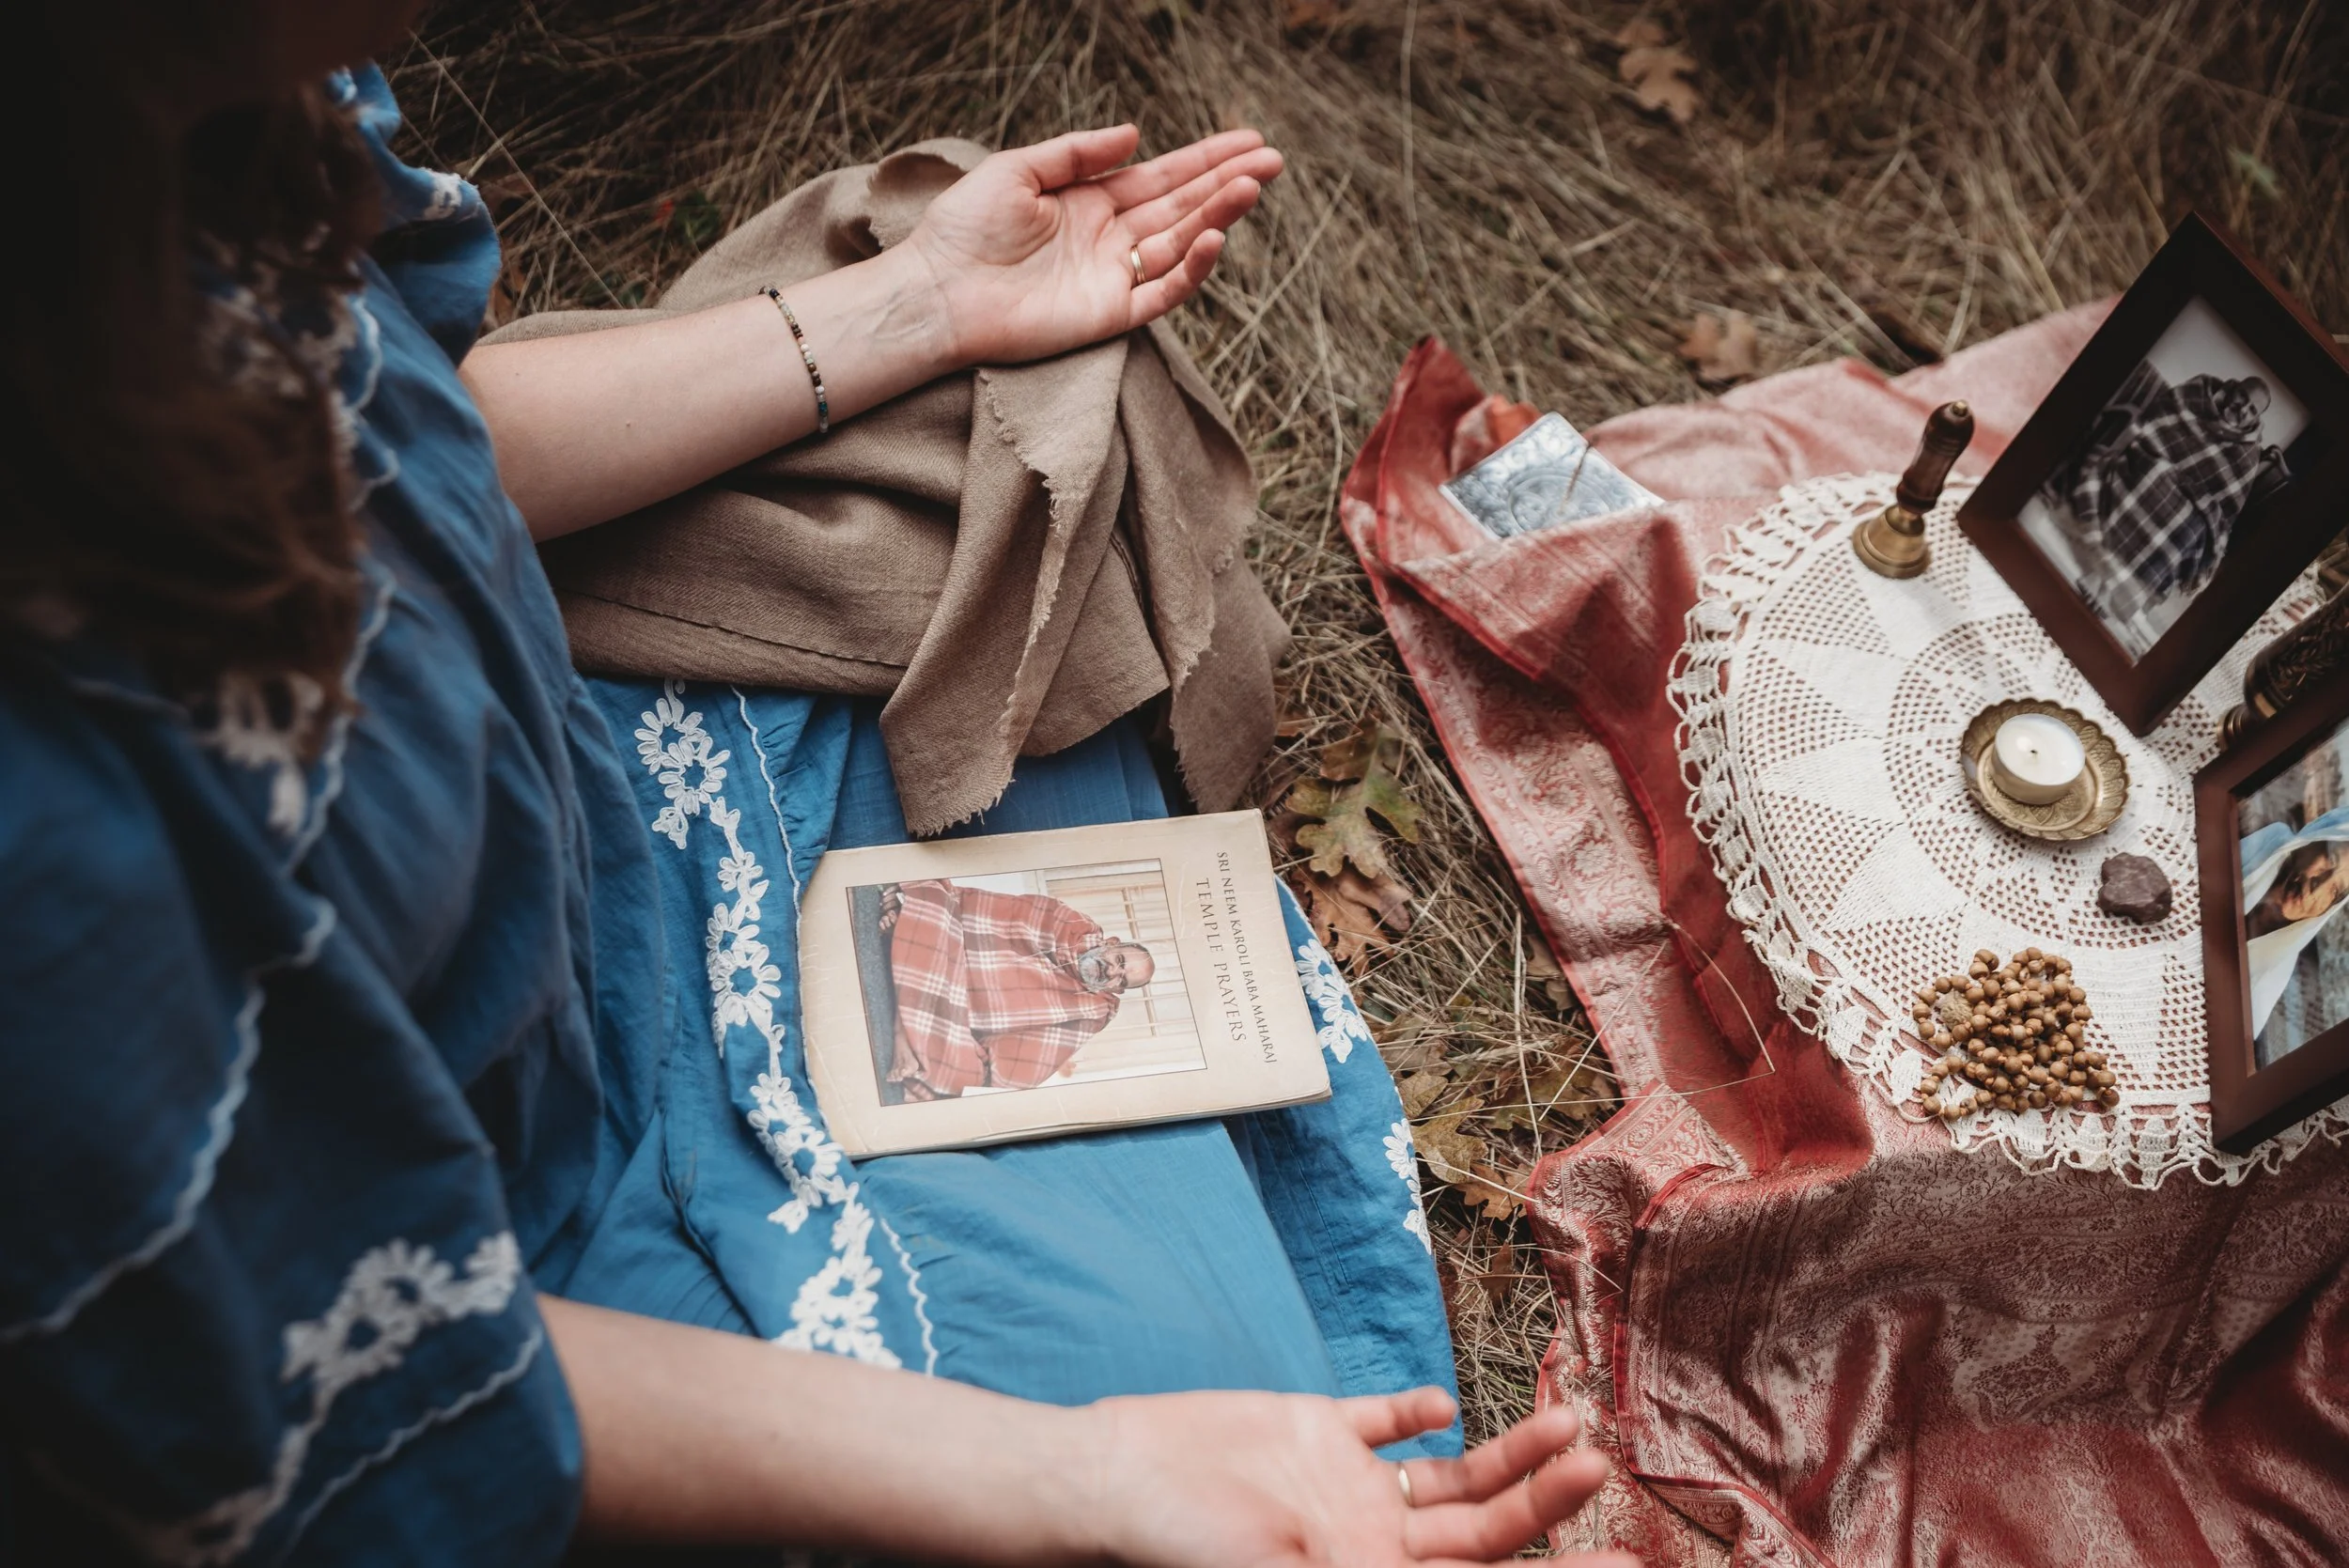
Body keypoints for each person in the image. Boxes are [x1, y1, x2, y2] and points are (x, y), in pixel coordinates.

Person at [0, 3, 1635, 1565]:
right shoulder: (52, 846)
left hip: (597, 832)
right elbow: (356, 1367)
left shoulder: (184, 122)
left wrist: (923, 306)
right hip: (509, 1257)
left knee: (1046, 402)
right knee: (1220, 1435)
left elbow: (422, 423)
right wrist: (1082, 1475)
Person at [2041, 357, 2287, 649]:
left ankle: (2120, 592)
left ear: (2256, 418)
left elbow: (2224, 509)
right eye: (2243, 399)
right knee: (2153, 482)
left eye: (2251, 410)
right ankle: (2106, 576)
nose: (2242, 409)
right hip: (2149, 462)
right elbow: (2153, 426)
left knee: (2192, 528)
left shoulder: (2248, 449)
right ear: (2233, 389)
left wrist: (2199, 504)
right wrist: (2169, 471)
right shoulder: (2197, 394)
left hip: (2191, 500)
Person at [879, 879, 1157, 1098]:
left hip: (957, 1012)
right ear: (1111, 942)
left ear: (1117, 991)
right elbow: (983, 910)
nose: (1112, 971)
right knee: (936, 902)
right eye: (1119, 960)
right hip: (953, 949)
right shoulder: (1069, 922)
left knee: (965, 1073)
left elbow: (1030, 1059)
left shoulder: (1094, 1009)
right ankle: (905, 1028)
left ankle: (904, 938)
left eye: (1121, 979)